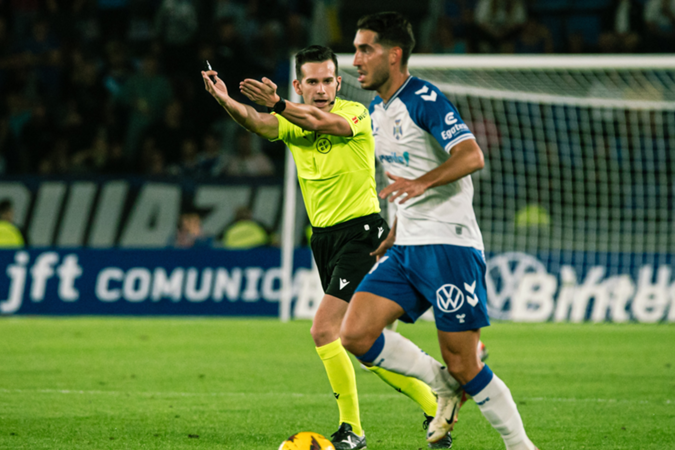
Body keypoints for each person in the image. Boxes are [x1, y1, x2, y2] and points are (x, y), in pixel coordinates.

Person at [201, 44, 445, 450]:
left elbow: (319, 122)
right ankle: (435, 405)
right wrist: (226, 100)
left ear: (337, 82)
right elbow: (257, 123)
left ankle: (352, 429)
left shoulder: (354, 114)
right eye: (310, 82)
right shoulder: (290, 119)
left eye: (326, 80)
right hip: (324, 240)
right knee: (364, 345)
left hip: (362, 235)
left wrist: (279, 103)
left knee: (324, 329)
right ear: (299, 84)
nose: (319, 88)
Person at [341, 12, 537, 450]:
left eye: (364, 49)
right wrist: (395, 227)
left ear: (394, 55)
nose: (355, 59)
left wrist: (422, 183)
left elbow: (471, 156)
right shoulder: (378, 109)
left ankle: (521, 445)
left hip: (448, 244)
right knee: (354, 334)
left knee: (466, 362)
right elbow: (403, 171)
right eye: (355, 49)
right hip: (407, 246)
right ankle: (442, 384)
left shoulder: (424, 98)